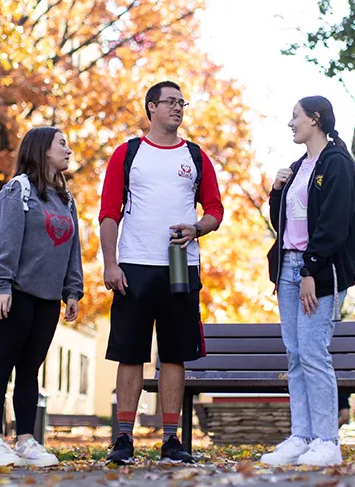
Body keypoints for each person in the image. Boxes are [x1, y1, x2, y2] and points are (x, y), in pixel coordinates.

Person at [98, 80, 224, 464]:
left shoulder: (197, 157)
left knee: (174, 354)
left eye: (181, 103)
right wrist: (110, 263)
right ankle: (123, 439)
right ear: (151, 107)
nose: (177, 108)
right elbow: (108, 212)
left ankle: (171, 441)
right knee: (130, 353)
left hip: (179, 266)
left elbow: (215, 210)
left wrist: (197, 228)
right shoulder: (128, 153)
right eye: (169, 102)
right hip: (134, 266)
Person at [260, 96, 355, 467]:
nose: (290, 123)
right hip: (288, 268)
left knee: (314, 353)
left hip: (318, 271)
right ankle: (301, 437)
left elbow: (333, 226)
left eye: (295, 116)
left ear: (315, 120)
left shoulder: (334, 164)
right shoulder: (297, 167)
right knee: (295, 355)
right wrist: (276, 191)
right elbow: (284, 224)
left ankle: (327, 440)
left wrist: (310, 271)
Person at [0, 127, 83, 468]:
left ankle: (25, 441)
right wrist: (1, 286)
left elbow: (73, 251)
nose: (68, 150)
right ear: (42, 150)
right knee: (1, 368)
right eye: (62, 144)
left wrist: (72, 290)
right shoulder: (17, 190)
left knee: (29, 372)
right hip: (16, 293)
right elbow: (4, 241)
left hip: (47, 299)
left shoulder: (66, 200)